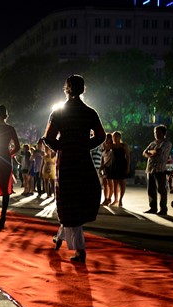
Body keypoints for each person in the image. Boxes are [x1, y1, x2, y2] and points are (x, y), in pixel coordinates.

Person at [41, 75, 106, 263]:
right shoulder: (90, 112)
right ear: (83, 89)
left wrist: (62, 146)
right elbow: (101, 136)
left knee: (68, 200)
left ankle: (79, 250)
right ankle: (61, 235)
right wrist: (85, 144)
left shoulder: (59, 112)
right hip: (83, 159)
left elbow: (48, 138)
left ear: (66, 89)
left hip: (67, 160)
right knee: (79, 198)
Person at [142, 125, 172, 215]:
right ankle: (153, 207)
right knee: (151, 190)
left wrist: (150, 152)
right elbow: (144, 153)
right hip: (150, 168)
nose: (156, 134)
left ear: (164, 133)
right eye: (155, 133)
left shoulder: (167, 143)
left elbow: (158, 151)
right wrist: (152, 152)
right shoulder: (152, 143)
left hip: (160, 169)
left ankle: (163, 209)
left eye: (158, 132)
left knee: (161, 190)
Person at [108, 131, 130, 207]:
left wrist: (128, 167)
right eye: (114, 136)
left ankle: (121, 199)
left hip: (122, 164)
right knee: (115, 183)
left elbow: (128, 156)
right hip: (114, 165)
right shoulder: (112, 146)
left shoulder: (124, 145)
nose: (115, 138)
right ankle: (116, 199)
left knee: (122, 182)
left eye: (117, 136)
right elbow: (104, 146)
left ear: (120, 137)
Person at [99, 133, 114, 205]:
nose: (107, 140)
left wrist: (103, 166)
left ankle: (109, 198)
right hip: (104, 168)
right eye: (106, 139)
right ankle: (105, 198)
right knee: (105, 184)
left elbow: (110, 160)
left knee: (110, 183)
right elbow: (102, 159)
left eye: (108, 139)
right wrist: (101, 167)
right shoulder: (104, 149)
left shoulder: (112, 149)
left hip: (109, 167)